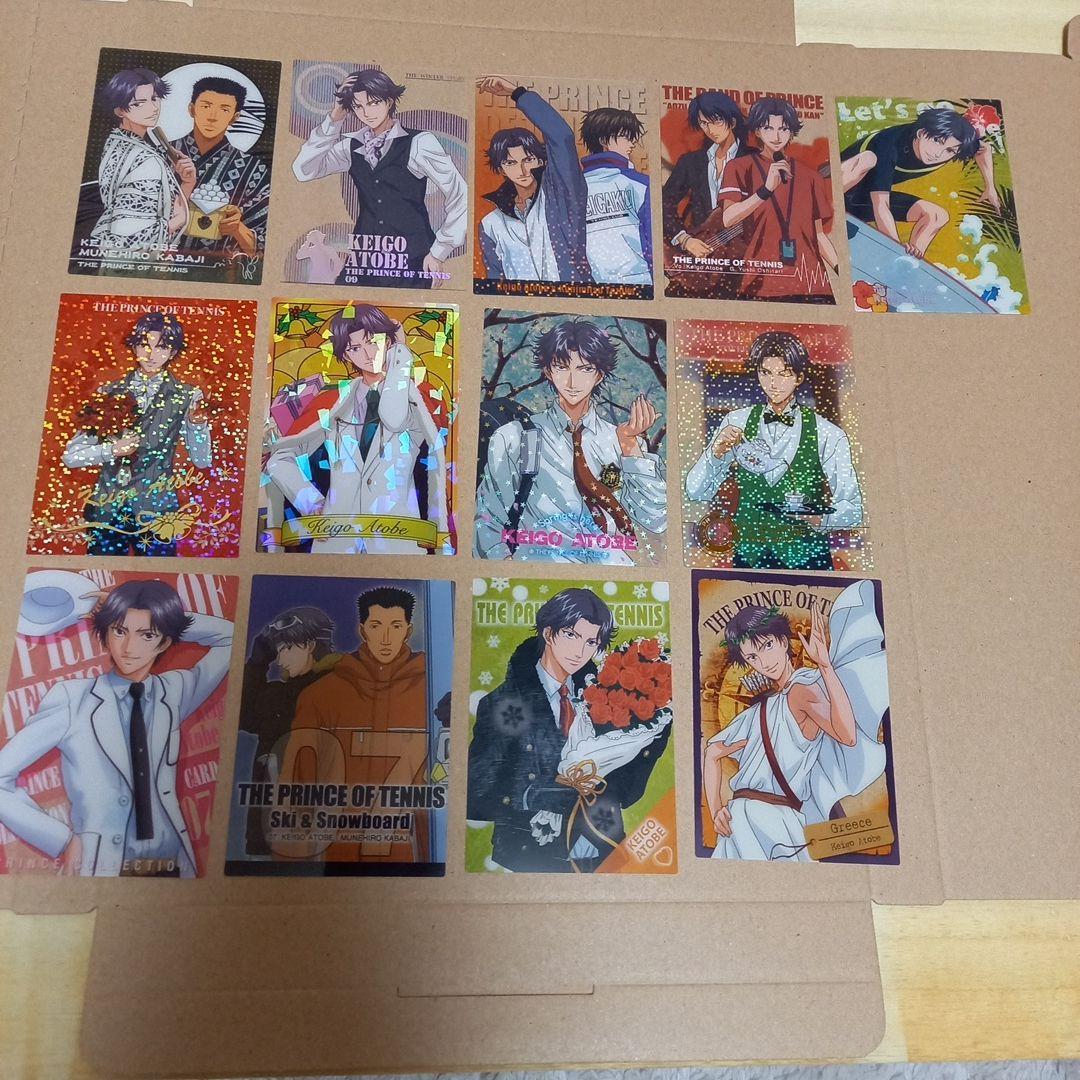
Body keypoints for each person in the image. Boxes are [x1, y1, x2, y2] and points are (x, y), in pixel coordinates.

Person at [0, 577, 233, 877]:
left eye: (146, 635)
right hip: (102, 871)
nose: (128, 647)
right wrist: (61, 840)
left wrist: (165, 615)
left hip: (174, 869)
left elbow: (230, 637)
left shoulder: (174, 691)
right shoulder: (73, 699)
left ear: (164, 642)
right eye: (119, 631)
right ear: (107, 633)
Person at [467, 588, 670, 873]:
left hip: (600, 851)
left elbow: (627, 794)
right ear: (549, 633)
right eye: (571, 635)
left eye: (591, 642)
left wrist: (652, 728)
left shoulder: (607, 694)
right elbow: (476, 795)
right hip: (526, 860)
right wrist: (539, 796)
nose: (580, 651)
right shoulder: (502, 704)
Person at [701, 582, 888, 861]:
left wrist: (825, 666)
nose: (764, 661)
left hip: (771, 818)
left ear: (783, 641)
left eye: (767, 646)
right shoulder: (758, 712)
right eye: (752, 657)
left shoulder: (801, 689)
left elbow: (848, 736)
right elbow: (713, 752)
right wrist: (716, 810)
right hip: (750, 819)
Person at [474, 319, 666, 564]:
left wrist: (630, 446)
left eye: (585, 369)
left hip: (613, 570)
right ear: (548, 371)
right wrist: (506, 570)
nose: (572, 382)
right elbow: (488, 520)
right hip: (538, 567)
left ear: (599, 375)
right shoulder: (516, 436)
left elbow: (655, 519)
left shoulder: (620, 440)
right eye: (562, 367)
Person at [265, 304, 449, 555]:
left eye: (374, 342)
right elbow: (279, 460)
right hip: (336, 544)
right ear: (346, 354)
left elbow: (394, 419)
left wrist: (401, 355)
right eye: (355, 348)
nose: (368, 354)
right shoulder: (333, 402)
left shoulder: (416, 400)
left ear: (389, 341)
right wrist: (311, 503)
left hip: (397, 544)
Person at [685, 330, 862, 570]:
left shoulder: (828, 433)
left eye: (783, 373)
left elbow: (853, 506)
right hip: (749, 557)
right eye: (766, 373)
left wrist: (820, 519)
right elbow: (695, 491)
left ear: (799, 377)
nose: (773, 383)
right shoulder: (736, 421)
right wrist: (714, 454)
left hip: (808, 558)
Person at [285, 587, 431, 863]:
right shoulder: (320, 696)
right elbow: (299, 785)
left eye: (395, 626)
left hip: (413, 859)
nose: (385, 638)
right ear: (362, 630)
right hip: (338, 858)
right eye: (376, 626)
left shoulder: (434, 691)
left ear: (408, 631)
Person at [292, 68, 467, 288]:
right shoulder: (351, 146)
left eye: (373, 103)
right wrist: (334, 119)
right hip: (363, 257)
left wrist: (439, 251)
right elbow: (304, 170)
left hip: (412, 258)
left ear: (389, 101)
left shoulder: (419, 142)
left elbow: (460, 194)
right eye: (358, 106)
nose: (366, 113)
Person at [62, 311, 212, 557]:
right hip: (107, 510)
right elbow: (71, 456)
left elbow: (202, 460)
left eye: (161, 347)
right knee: (101, 574)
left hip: (157, 512)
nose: (151, 355)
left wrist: (197, 426)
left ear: (173, 352)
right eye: (144, 345)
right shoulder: (109, 392)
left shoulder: (187, 395)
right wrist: (112, 450)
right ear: (134, 347)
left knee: (159, 576)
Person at [238, 607, 340, 855]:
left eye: (287, 648)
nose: (280, 659)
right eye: (278, 650)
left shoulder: (339, 691)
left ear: (310, 646)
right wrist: (257, 662)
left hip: (322, 834)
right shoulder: (277, 695)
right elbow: (242, 717)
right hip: (269, 832)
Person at [715, 97, 837, 302]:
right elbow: (728, 219)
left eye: (783, 128)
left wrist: (840, 268)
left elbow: (818, 235)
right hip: (760, 282)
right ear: (757, 131)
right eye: (768, 128)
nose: (777, 136)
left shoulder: (811, 176)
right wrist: (765, 191)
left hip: (813, 284)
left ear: (791, 131)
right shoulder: (739, 167)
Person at [840, 106, 996, 260]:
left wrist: (990, 188)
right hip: (836, 187)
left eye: (949, 151)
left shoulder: (958, 142)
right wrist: (895, 248)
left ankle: (911, 261)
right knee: (867, 159)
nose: (939, 153)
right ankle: (829, 207)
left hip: (861, 200)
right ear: (921, 133)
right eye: (937, 141)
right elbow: (881, 204)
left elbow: (984, 149)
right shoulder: (888, 144)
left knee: (937, 216)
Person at [477, 75, 591, 284]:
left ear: (541, 160)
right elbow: (495, 279)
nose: (522, 170)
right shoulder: (490, 224)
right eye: (510, 163)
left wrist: (518, 93)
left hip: (574, 297)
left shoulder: (561, 197)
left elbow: (562, 136)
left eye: (528, 160)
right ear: (501, 169)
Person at [90, 68, 196, 251]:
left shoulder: (115, 143)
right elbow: (132, 238)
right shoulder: (146, 160)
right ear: (120, 110)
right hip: (134, 260)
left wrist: (187, 183)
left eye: (154, 98)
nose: (153, 108)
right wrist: (180, 220)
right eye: (139, 103)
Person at [171, 75, 270, 258]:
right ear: (192, 109)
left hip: (216, 269)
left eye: (224, 110)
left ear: (235, 117)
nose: (212, 117)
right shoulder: (161, 155)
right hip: (154, 262)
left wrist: (237, 227)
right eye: (206, 106)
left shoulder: (253, 169)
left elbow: (262, 250)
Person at [662, 90, 749, 258]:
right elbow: (664, 203)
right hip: (703, 253)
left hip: (747, 255)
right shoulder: (691, 162)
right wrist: (685, 239)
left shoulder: (754, 159)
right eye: (703, 123)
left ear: (732, 121)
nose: (710, 129)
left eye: (716, 121)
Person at [579, 107, 651, 286]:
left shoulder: (574, 188)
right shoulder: (640, 183)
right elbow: (654, 239)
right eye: (626, 137)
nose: (632, 143)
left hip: (591, 286)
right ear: (604, 140)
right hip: (641, 282)